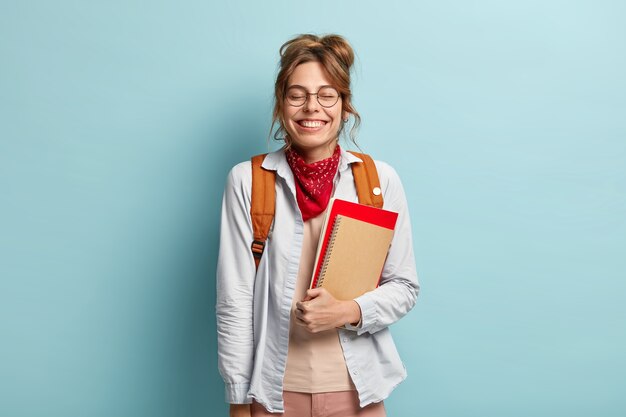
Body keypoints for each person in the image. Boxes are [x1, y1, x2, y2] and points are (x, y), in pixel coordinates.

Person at [216, 33, 420, 417]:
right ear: (281, 104)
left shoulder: (377, 181)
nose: (312, 107)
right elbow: (235, 300)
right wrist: (239, 400)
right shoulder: (248, 180)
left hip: (357, 390)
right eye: (298, 95)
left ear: (345, 107)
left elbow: (404, 286)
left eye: (327, 95)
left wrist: (347, 311)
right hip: (272, 393)